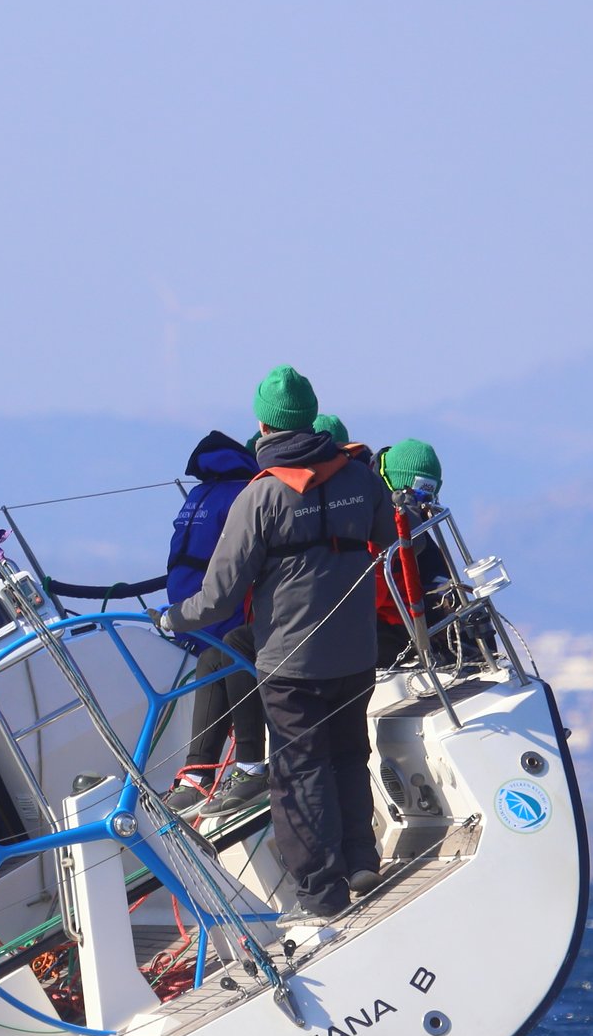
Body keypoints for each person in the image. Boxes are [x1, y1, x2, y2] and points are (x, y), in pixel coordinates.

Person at [162, 366, 396, 920]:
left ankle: (322, 892)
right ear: (312, 415)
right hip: (357, 652)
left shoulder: (259, 497)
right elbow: (390, 544)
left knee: (299, 771)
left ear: (263, 424)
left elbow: (218, 599)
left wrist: (173, 618)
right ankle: (362, 859)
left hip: (290, 664)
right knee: (347, 754)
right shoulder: (362, 480)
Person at [161, 430, 269, 815]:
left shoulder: (202, 495)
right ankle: (209, 769)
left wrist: (175, 616)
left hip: (200, 611)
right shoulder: (251, 493)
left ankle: (226, 768)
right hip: (224, 608)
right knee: (223, 655)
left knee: (225, 653)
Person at [372, 438, 456, 664]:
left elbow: (433, 569)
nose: (420, 507)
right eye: (415, 498)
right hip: (375, 631)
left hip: (400, 623)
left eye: (427, 499)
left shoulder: (419, 531)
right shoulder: (370, 519)